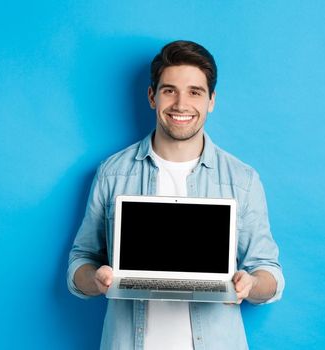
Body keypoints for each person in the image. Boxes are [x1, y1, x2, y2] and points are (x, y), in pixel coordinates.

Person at [67, 40, 284, 350]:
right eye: (170, 90)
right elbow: (80, 263)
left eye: (195, 92)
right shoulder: (112, 173)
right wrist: (97, 280)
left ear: (211, 100)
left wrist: (250, 285)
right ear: (152, 96)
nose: (181, 104)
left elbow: (270, 275)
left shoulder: (242, 179)